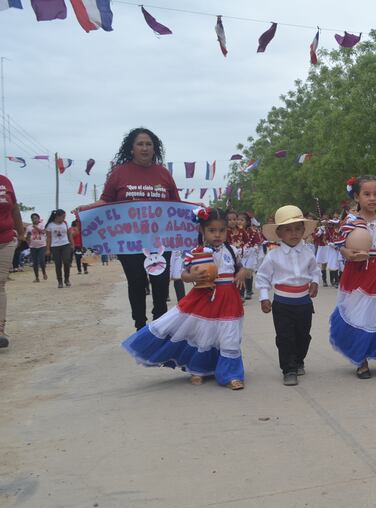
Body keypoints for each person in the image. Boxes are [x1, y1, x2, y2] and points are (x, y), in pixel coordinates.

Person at [121, 207, 251, 390]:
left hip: (229, 300)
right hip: (204, 299)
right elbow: (183, 274)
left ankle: (232, 374)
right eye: (212, 230)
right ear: (202, 230)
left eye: (222, 230)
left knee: (229, 337)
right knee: (203, 336)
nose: (217, 235)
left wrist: (242, 274)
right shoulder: (195, 252)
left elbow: (242, 268)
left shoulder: (232, 251)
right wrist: (193, 277)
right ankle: (198, 368)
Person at [75, 128, 180, 329]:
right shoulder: (119, 173)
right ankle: (140, 325)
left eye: (149, 144)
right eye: (140, 144)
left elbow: (176, 205)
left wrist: (197, 209)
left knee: (160, 284)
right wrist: (86, 208)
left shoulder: (163, 173)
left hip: (160, 242)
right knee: (137, 282)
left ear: (154, 148)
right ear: (131, 148)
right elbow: (106, 201)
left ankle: (160, 325)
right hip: (128, 242)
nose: (145, 148)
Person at [329, 175, 376, 380]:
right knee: (358, 315)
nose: (372, 198)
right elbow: (337, 242)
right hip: (358, 273)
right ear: (357, 197)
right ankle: (360, 360)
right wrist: (346, 253)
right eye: (367, 194)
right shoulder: (350, 221)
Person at [256, 205, 320, 386]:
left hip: (304, 302)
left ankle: (299, 360)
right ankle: (289, 368)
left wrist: (314, 282)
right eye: (288, 229)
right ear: (279, 233)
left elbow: (315, 271)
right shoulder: (273, 256)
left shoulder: (308, 252)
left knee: (303, 335)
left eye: (298, 228)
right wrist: (263, 297)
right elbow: (262, 277)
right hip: (282, 303)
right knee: (285, 337)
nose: (294, 233)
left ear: (304, 231)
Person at [0, 174, 25, 349]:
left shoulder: (5, 181)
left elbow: (14, 208)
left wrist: (21, 233)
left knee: (0, 283)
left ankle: (0, 330)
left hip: (6, 239)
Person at [45, 209, 73, 289]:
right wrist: (48, 249)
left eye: (65, 217)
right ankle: (60, 281)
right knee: (58, 264)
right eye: (63, 216)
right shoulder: (50, 225)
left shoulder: (65, 223)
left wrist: (72, 244)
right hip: (55, 246)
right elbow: (49, 238)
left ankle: (67, 279)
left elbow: (69, 234)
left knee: (67, 261)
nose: (64, 218)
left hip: (65, 244)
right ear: (58, 216)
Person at [26, 213, 48, 282]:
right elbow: (27, 237)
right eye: (32, 218)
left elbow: (44, 232)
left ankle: (44, 273)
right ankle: (37, 277)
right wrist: (28, 238)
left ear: (38, 218)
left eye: (35, 218)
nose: (34, 219)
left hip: (42, 245)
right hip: (33, 246)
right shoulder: (29, 227)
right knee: (34, 263)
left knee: (41, 260)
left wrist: (36, 227)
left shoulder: (42, 225)